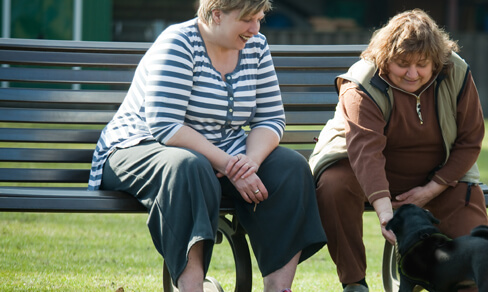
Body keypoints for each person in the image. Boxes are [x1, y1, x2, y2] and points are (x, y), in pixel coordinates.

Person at [88, 0, 326, 291]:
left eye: (260, 19)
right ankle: (191, 287)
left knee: (290, 168)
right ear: (216, 15)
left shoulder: (256, 46)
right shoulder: (178, 43)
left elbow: (271, 119)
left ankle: (279, 288)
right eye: (247, 19)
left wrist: (250, 161)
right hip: (141, 146)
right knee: (189, 166)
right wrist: (230, 166)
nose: (255, 28)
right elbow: (166, 125)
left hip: (220, 153)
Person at [309, 9, 488, 292]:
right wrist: (384, 212)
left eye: (422, 64)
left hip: (438, 176)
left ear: (436, 61)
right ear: (385, 58)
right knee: (333, 184)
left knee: (474, 263)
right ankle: (354, 282)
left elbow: (470, 139)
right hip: (363, 170)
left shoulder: (457, 71)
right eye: (402, 63)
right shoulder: (360, 84)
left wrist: (432, 189)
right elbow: (365, 152)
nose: (412, 73)